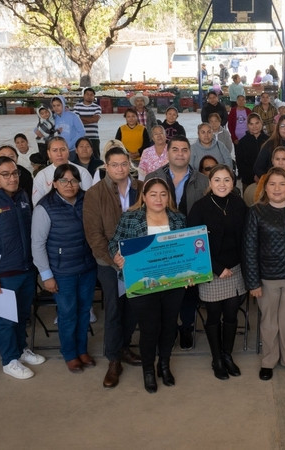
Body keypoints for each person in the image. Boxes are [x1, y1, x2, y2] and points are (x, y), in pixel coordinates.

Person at [109, 177, 187, 393]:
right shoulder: (131, 218)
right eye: (153, 194)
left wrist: (193, 272)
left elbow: (186, 251)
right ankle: (148, 370)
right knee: (149, 328)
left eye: (163, 194)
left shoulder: (178, 218)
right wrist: (116, 256)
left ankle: (164, 364)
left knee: (169, 326)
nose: (159, 198)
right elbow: (114, 243)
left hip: (173, 283)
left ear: (169, 196)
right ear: (143, 197)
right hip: (142, 284)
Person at [0, 155, 46, 380]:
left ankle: (20, 349)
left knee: (23, 314)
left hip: (25, 268)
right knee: (6, 318)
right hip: (2, 273)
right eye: (6, 174)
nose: (12, 178)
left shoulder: (23, 196)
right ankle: (9, 360)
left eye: (15, 173)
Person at [83, 147, 143, 389]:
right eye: (114, 164)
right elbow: (93, 234)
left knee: (133, 307)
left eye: (123, 164)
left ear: (130, 164)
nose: (120, 168)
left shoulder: (140, 189)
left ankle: (125, 347)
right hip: (108, 264)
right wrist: (112, 258)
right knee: (114, 309)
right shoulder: (95, 194)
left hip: (138, 260)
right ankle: (113, 359)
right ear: (106, 167)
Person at [244, 167, 285, 380]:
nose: (277, 188)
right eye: (272, 184)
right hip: (267, 277)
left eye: (282, 184)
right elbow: (249, 248)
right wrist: (253, 282)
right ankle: (269, 360)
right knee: (269, 322)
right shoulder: (256, 211)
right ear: (265, 187)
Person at [31, 164, 97, 373]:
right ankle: (70, 353)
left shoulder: (87, 200)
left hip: (87, 266)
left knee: (84, 310)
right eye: (64, 181)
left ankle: (82, 349)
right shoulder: (45, 206)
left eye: (73, 180)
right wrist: (46, 275)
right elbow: (37, 244)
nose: (69, 185)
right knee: (68, 313)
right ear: (54, 183)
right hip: (62, 272)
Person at [187, 165, 248, 380]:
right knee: (214, 315)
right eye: (217, 180)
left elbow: (246, 238)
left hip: (236, 269)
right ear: (210, 183)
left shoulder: (239, 204)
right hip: (211, 270)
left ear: (233, 183)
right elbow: (193, 244)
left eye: (227, 180)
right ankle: (217, 359)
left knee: (231, 315)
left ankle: (227, 355)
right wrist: (217, 268)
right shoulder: (200, 207)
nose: (222, 184)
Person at [150, 135, 209, 350]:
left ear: (190, 153)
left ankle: (186, 326)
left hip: (191, 245)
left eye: (184, 150)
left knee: (189, 290)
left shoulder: (203, 180)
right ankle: (168, 328)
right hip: (162, 244)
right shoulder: (153, 177)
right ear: (168, 152)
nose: (180, 153)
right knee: (164, 289)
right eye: (175, 149)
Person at [31, 137, 93, 205]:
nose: (59, 154)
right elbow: (37, 203)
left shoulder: (82, 172)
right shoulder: (41, 175)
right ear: (49, 153)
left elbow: (90, 201)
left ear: (68, 151)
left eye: (63, 150)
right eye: (55, 150)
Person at [236, 113, 268, 191]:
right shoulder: (242, 142)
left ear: (261, 123)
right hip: (248, 181)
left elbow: (272, 161)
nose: (255, 127)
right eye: (251, 124)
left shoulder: (269, 141)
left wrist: (262, 176)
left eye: (257, 123)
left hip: (266, 180)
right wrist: (253, 176)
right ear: (247, 125)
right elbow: (240, 163)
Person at [73, 87, 102, 159]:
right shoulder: (77, 106)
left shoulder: (97, 107)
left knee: (96, 158)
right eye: (87, 94)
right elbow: (76, 121)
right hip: (80, 137)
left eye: (91, 95)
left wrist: (81, 119)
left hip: (94, 137)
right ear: (84, 95)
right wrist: (90, 118)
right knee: (80, 157)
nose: (89, 96)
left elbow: (95, 119)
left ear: (94, 97)